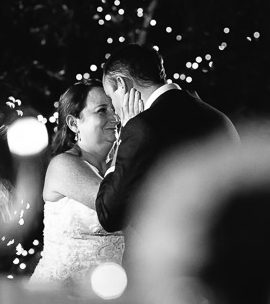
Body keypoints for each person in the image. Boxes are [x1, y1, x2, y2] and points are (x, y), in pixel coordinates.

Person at [96, 43, 240, 233]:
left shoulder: (141, 126)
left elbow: (110, 216)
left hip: (173, 254)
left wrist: (124, 135)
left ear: (122, 84)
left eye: (110, 95)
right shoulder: (219, 117)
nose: (114, 107)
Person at [29, 80, 125, 287]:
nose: (115, 117)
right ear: (74, 124)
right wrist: (129, 139)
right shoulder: (63, 165)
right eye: (101, 110)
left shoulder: (119, 164)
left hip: (106, 294)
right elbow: (114, 204)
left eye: (114, 108)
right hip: (60, 293)